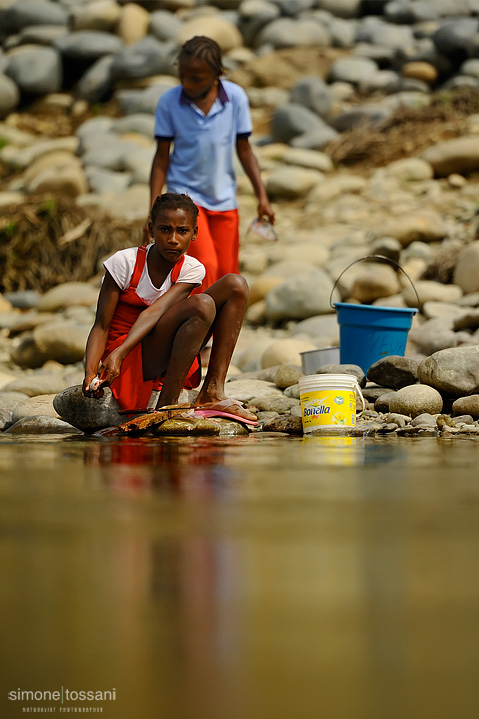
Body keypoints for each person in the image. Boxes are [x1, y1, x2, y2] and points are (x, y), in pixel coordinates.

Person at [83, 192, 257, 423]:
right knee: (202, 304)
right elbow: (101, 326)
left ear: (194, 233)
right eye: (165, 229)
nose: (173, 239)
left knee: (236, 284)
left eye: (182, 231)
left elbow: (155, 311)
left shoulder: (192, 269)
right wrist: (91, 373)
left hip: (158, 349)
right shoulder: (124, 263)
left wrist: (120, 351)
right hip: (123, 359)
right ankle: (168, 405)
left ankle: (212, 391)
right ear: (150, 229)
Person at [149, 35, 275, 293]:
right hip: (187, 198)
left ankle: (223, 333)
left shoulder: (235, 98)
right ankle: (199, 331)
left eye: (196, 78)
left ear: (217, 74)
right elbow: (161, 156)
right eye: (182, 75)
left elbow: (244, 150)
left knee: (228, 275)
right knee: (203, 267)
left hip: (224, 197)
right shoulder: (169, 102)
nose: (187, 83)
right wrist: (152, 206)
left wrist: (262, 196)